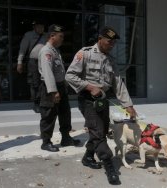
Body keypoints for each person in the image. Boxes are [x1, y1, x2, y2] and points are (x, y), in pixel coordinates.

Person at [65, 26, 137, 185]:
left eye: (114, 43)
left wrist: (128, 105)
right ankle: (110, 166)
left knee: (102, 131)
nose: (111, 45)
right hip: (88, 99)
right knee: (98, 132)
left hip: (103, 99)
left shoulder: (111, 60)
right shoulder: (85, 53)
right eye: (109, 42)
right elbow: (69, 75)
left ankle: (88, 157)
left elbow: (118, 83)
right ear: (100, 39)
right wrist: (90, 87)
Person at [38, 24, 80, 152]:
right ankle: (46, 142)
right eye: (60, 36)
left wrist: (64, 85)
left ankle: (66, 137)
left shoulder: (55, 51)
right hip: (51, 88)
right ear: (52, 36)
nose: (62, 39)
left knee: (65, 113)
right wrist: (53, 91)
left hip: (60, 87)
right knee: (49, 115)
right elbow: (47, 72)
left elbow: (59, 71)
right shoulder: (46, 51)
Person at [17, 19, 47, 113]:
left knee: (45, 82)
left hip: (45, 61)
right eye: (38, 26)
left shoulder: (47, 36)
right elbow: (22, 50)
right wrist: (19, 62)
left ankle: (44, 102)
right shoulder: (29, 35)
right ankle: (36, 103)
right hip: (33, 62)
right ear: (34, 27)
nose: (41, 28)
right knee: (35, 83)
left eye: (42, 26)